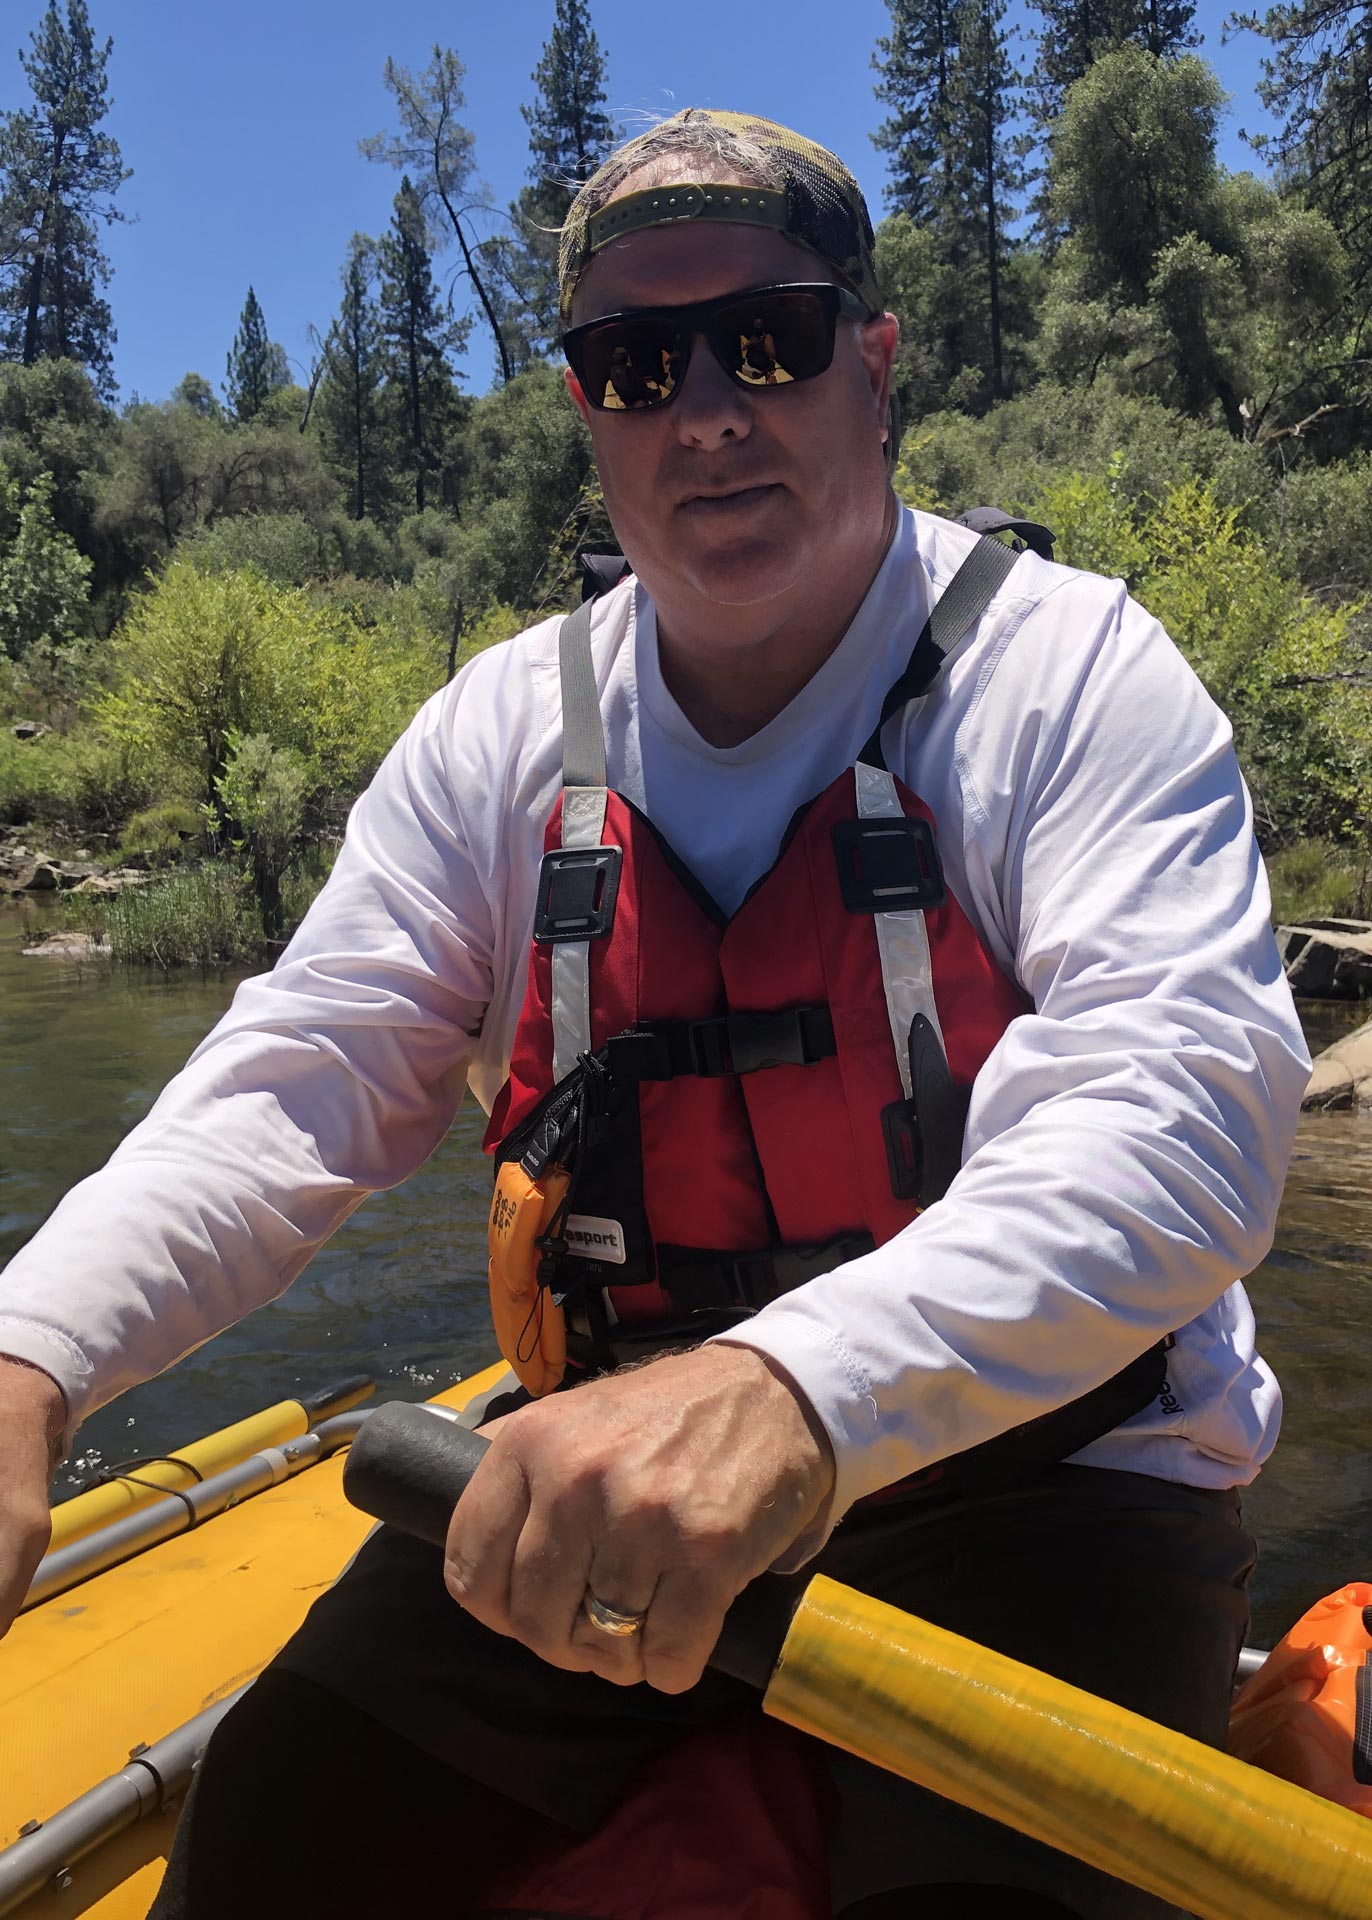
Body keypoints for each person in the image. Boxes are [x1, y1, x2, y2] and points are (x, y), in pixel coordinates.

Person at [0, 108, 1309, 1920]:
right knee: (276, 1837)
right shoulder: (496, 737)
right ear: (586, 408)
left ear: (875, 362)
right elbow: (293, 1087)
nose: (704, 409)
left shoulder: (1069, 673)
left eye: (763, 337)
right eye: (633, 362)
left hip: (1051, 1485)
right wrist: (31, 1359)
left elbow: (1185, 1116)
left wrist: (792, 1385)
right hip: (603, 1474)